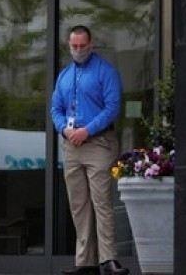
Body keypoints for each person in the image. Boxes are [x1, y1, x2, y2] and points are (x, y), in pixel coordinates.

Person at [51, 25, 130, 275]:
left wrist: (87, 130)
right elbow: (56, 109)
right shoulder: (64, 75)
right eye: (73, 46)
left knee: (101, 202)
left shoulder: (106, 71)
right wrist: (65, 129)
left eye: (82, 46)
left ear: (91, 44)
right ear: (69, 45)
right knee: (79, 204)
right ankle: (85, 261)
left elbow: (112, 108)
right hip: (72, 145)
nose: (78, 50)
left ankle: (109, 259)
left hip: (98, 144)